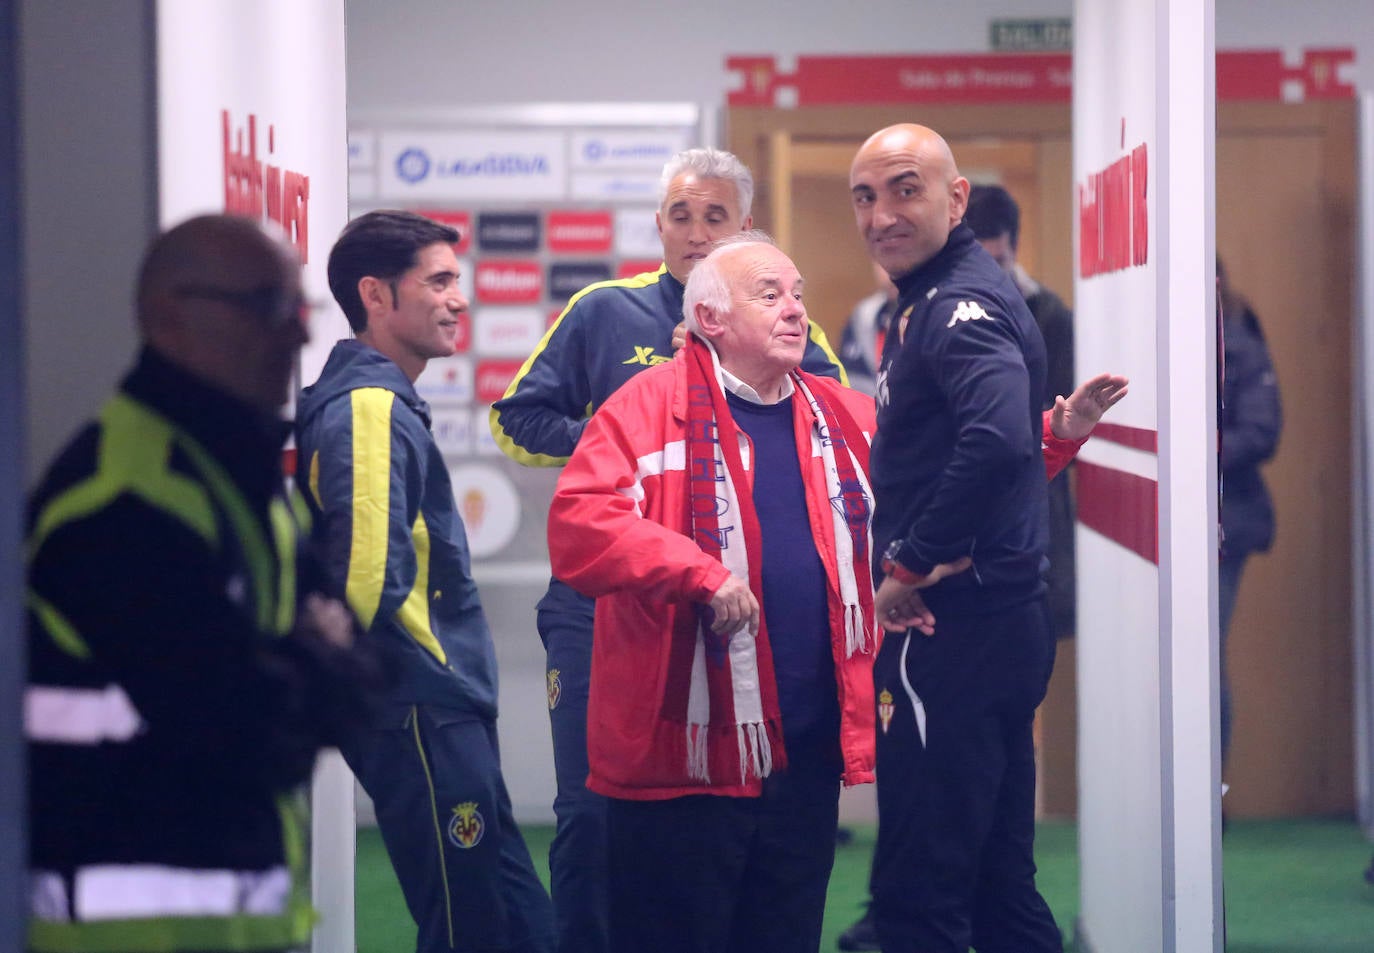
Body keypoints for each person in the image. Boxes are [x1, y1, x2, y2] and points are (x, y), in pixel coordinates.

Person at [546, 233, 1112, 953]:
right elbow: (579, 525)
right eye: (771, 295)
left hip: (805, 753)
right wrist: (700, 571)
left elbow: (954, 475)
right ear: (711, 319)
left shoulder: (839, 410)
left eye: (799, 293)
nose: (796, 311)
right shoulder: (643, 406)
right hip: (680, 764)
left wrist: (1053, 435)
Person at [488, 147, 845, 953]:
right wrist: (631, 445)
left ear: (742, 225)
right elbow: (515, 418)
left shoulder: (791, 325)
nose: (694, 232)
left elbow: (839, 439)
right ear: (658, 224)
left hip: (734, 619)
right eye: (680, 216)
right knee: (590, 808)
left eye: (714, 216)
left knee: (727, 815)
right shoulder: (602, 311)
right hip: (602, 606)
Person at [25, 215, 379, 953]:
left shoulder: (236, 475)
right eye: (266, 307)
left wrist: (306, 666)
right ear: (168, 317)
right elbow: (242, 729)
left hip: (239, 924)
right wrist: (318, 657)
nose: (296, 337)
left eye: (298, 309)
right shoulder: (121, 500)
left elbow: (365, 681)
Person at [296, 210, 554, 953]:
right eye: (438, 281)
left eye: (457, 281)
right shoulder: (369, 406)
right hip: (416, 702)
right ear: (375, 296)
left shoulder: (381, 399)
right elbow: (363, 580)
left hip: (437, 706)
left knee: (516, 922)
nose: (459, 298)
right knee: (469, 925)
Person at [850, 122, 1065, 952]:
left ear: (956, 197)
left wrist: (907, 559)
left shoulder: (956, 306)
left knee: (921, 890)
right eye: (865, 197)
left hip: (952, 631)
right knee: (995, 885)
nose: (882, 216)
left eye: (906, 189)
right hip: (994, 624)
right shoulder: (942, 295)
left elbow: (996, 439)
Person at [965, 183, 1077, 640]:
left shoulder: (1048, 315)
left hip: (1031, 497)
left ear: (1012, 246)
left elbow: (1053, 419)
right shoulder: (945, 310)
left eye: (995, 262)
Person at [1216, 257, 1281, 765]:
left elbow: (1262, 433)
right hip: (1200, 520)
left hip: (1227, 519)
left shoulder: (1240, 344)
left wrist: (1197, 455)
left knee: (1204, 659)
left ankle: (1210, 793)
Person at [838, 261, 899, 396]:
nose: (890, 271)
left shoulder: (935, 314)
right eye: (881, 260)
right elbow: (849, 379)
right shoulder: (864, 315)